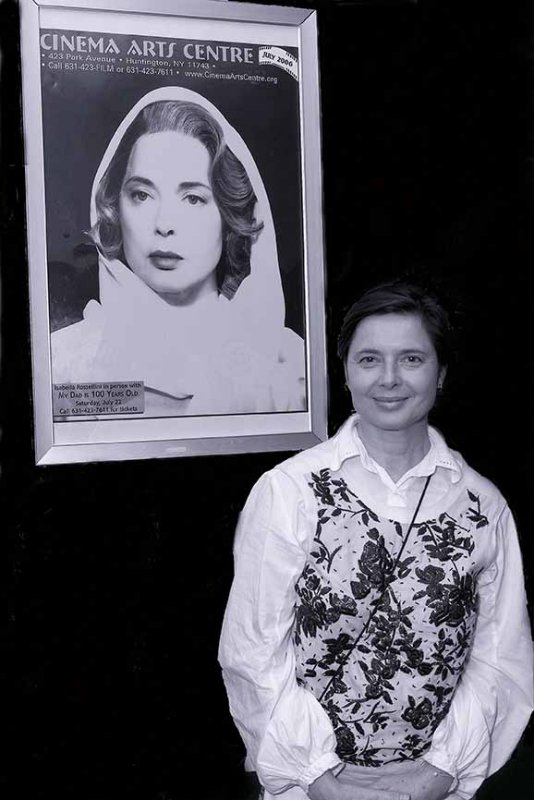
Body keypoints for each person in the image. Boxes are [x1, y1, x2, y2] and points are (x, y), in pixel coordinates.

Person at [218, 280, 533, 800]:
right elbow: (252, 653)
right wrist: (323, 781)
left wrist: (437, 775)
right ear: (345, 372)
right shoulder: (289, 492)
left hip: (434, 786)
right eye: (369, 360)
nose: (389, 379)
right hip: (308, 786)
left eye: (411, 358)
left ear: (442, 372)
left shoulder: (483, 507)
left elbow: (500, 657)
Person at [51, 86, 306, 417]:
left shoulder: (289, 366)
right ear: (115, 207)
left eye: (193, 198)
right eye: (142, 195)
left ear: (230, 216)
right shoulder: (65, 363)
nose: (164, 224)